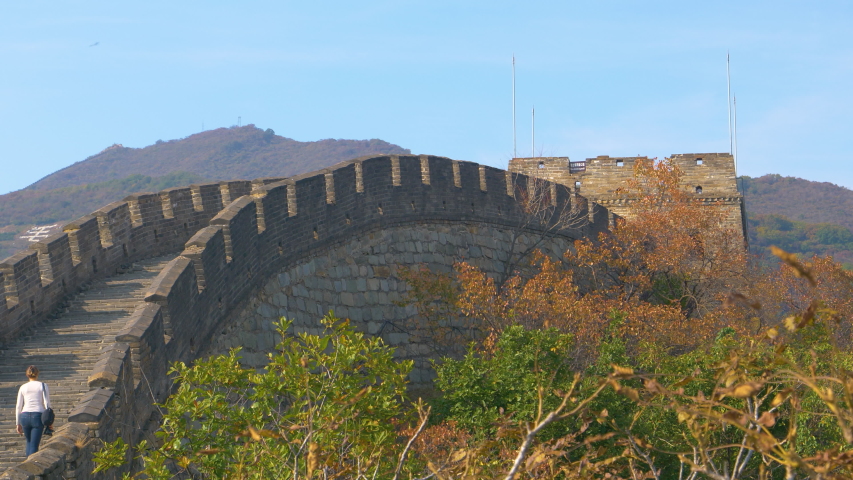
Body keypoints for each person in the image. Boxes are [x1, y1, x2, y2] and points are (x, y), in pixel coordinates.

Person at [15, 365, 52, 456]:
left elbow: (18, 406)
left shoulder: (23, 387)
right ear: (37, 374)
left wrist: (17, 423)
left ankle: (26, 464)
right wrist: (50, 421)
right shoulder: (43, 385)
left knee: (29, 442)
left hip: (24, 415)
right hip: (37, 415)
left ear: (27, 375)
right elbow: (47, 404)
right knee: (34, 445)